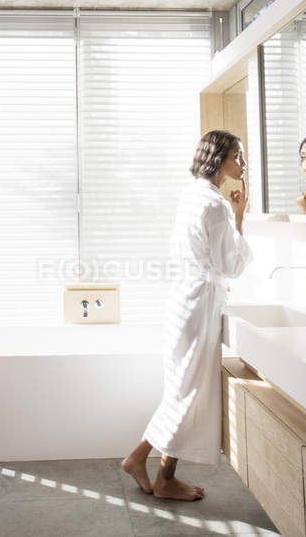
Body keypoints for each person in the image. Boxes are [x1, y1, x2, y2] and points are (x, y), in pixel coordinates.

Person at [122, 130, 252, 501]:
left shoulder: (193, 194)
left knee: (182, 391)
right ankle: (161, 477)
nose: (242, 163)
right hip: (197, 305)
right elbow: (231, 264)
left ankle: (141, 458)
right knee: (186, 393)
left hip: (184, 300)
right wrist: (240, 218)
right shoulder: (215, 205)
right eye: (237, 156)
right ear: (220, 158)